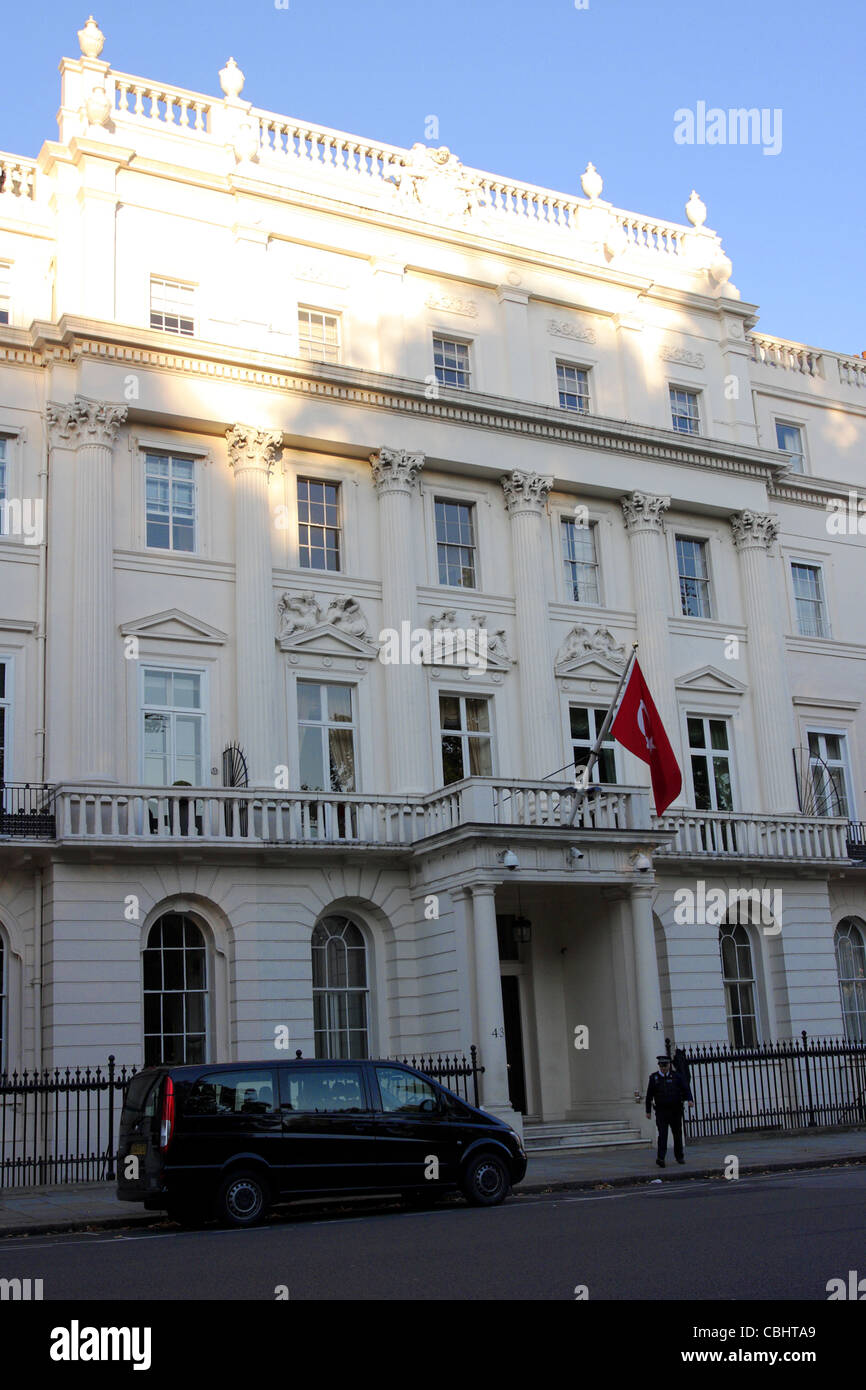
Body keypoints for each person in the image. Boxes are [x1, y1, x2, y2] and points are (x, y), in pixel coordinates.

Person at [645, 1053, 693, 1167]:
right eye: (661, 1066)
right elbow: (649, 1095)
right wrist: (648, 1111)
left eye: (665, 1065)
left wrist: (690, 1100)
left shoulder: (677, 1076)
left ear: (669, 1065)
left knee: (677, 1134)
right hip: (662, 1111)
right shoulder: (654, 1078)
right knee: (663, 1134)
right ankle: (660, 1158)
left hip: (675, 1110)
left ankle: (679, 1156)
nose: (663, 1068)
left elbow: (685, 1088)